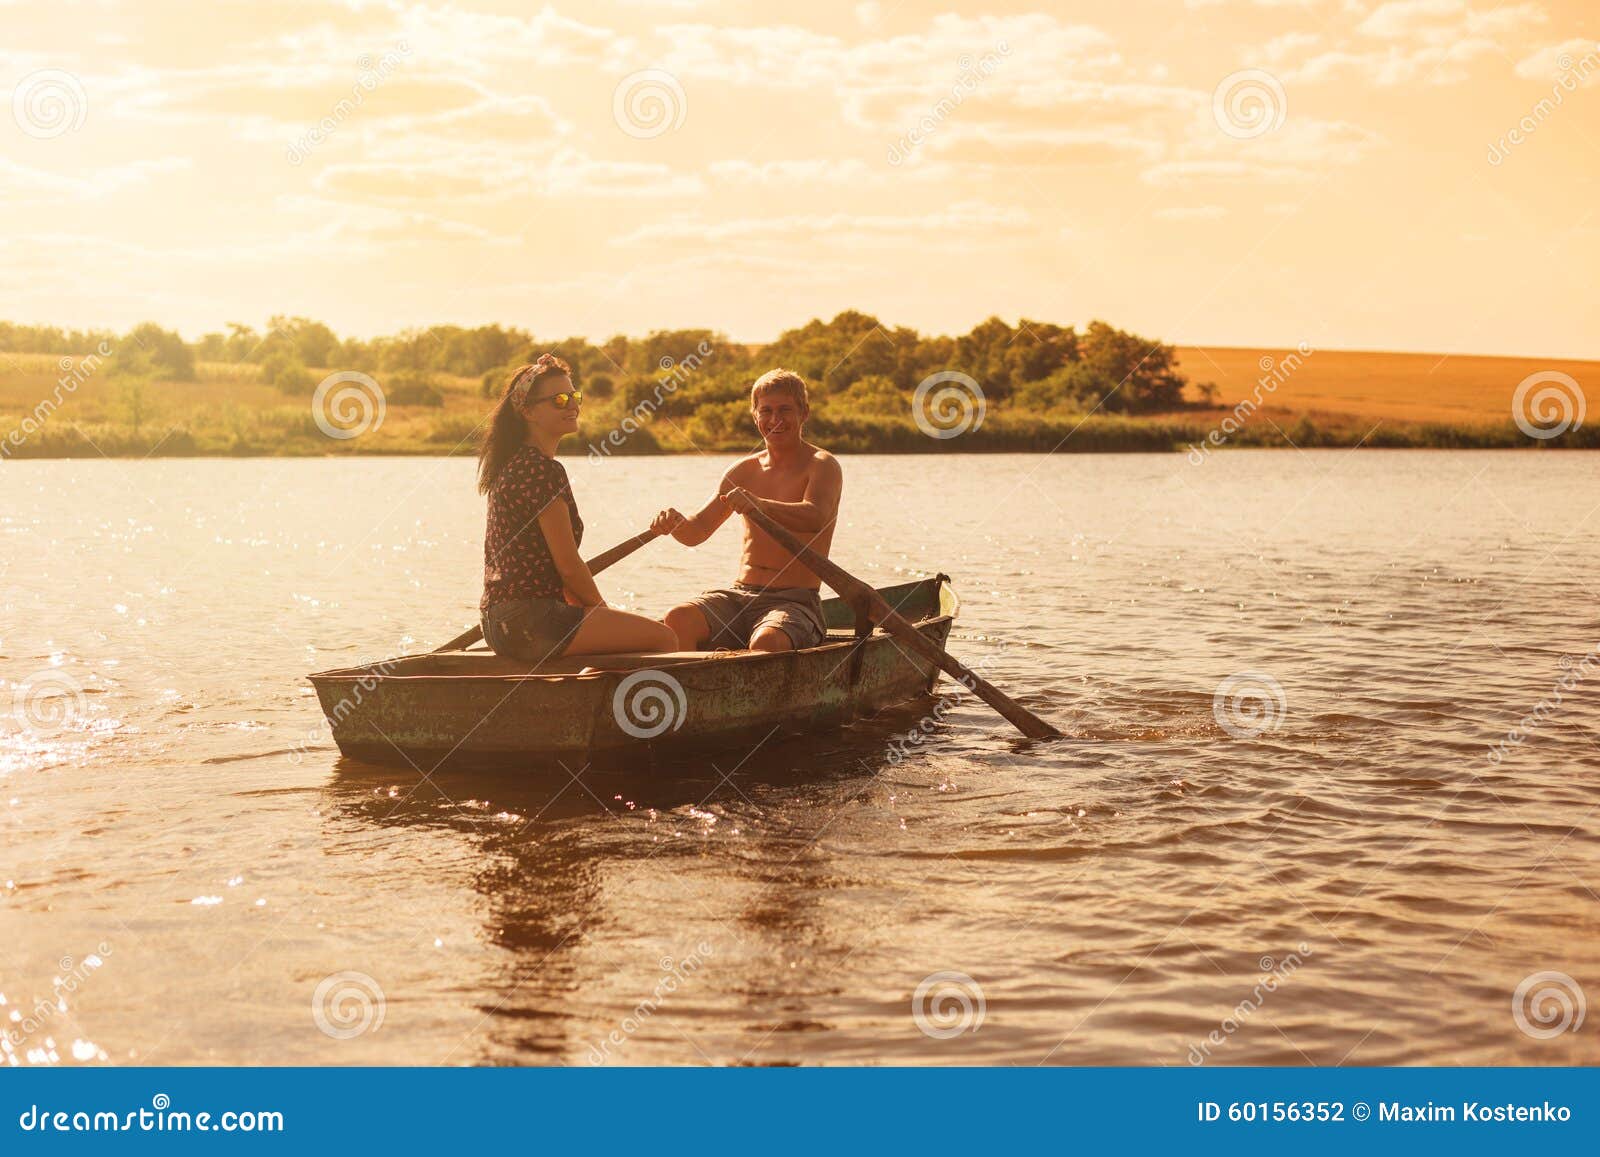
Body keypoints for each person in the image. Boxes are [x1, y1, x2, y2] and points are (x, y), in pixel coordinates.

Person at [477, 354, 679, 662]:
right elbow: (568, 566)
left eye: (575, 396)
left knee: (624, 638)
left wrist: (600, 619)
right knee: (664, 639)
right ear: (529, 412)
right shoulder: (541, 470)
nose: (573, 406)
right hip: (531, 621)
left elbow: (553, 571)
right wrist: (602, 611)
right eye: (559, 399)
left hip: (496, 622)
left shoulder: (513, 465)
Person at [656, 369, 842, 653]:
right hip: (739, 595)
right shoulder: (742, 471)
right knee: (678, 619)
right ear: (755, 415)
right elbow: (697, 532)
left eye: (785, 410)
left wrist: (760, 505)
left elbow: (815, 516)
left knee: (767, 641)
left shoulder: (822, 464)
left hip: (795, 600)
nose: (775, 420)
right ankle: (692, 691)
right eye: (766, 411)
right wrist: (674, 523)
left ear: (804, 413)